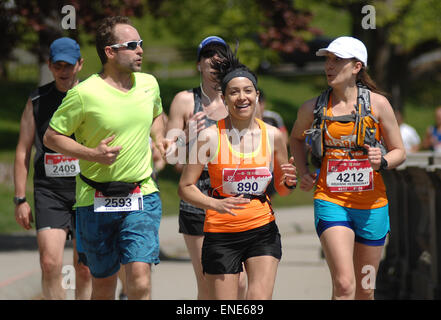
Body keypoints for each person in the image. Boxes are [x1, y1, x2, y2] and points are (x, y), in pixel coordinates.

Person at [43, 16, 168, 300]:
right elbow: (51, 137)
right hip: (94, 199)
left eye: (141, 44)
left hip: (141, 194)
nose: (141, 50)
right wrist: (92, 154)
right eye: (132, 45)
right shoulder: (83, 94)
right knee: (103, 285)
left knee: (139, 276)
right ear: (110, 52)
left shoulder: (149, 84)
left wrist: (160, 138)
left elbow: (156, 115)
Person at [290, 36, 406, 300]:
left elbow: (400, 151)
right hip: (331, 201)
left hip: (372, 206)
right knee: (344, 285)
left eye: (338, 60)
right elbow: (296, 138)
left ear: (356, 67)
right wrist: (304, 172)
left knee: (365, 289)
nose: (329, 66)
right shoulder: (313, 107)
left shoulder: (378, 105)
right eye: (328, 60)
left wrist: (383, 160)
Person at [178, 52, 297, 300]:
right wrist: (215, 204)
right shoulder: (209, 137)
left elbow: (282, 189)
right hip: (221, 233)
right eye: (234, 92)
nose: (242, 97)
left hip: (261, 228)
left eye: (248, 90)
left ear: (256, 96)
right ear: (224, 98)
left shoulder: (274, 135)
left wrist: (288, 181)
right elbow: (185, 187)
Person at [166, 36, 247, 299]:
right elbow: (170, 157)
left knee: (241, 283)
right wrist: (187, 134)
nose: (214, 60)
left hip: (233, 200)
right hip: (197, 202)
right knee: (208, 282)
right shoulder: (185, 101)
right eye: (208, 55)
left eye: (220, 54)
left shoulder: (239, 99)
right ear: (198, 63)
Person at [13, 37, 92, 300]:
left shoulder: (92, 97)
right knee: (50, 263)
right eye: (58, 66)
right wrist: (20, 198)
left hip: (86, 190)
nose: (64, 71)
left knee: (85, 268)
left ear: (80, 64)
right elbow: (23, 150)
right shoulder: (37, 100)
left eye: (69, 65)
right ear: (49, 66)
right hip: (50, 192)